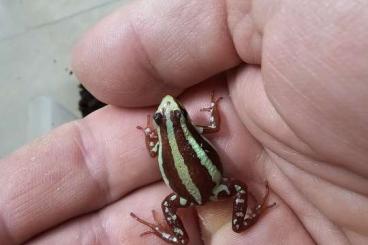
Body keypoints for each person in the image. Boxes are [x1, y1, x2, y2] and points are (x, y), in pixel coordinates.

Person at [1, 1, 367, 244]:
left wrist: (152, 133)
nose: (169, 108)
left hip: (188, 196)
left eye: (168, 114)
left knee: (171, 206)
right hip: (211, 189)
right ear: (171, 122)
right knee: (238, 194)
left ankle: (172, 233)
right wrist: (211, 110)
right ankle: (242, 217)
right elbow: (213, 127)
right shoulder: (191, 130)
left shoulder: (161, 141)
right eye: (167, 115)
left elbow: (157, 146)